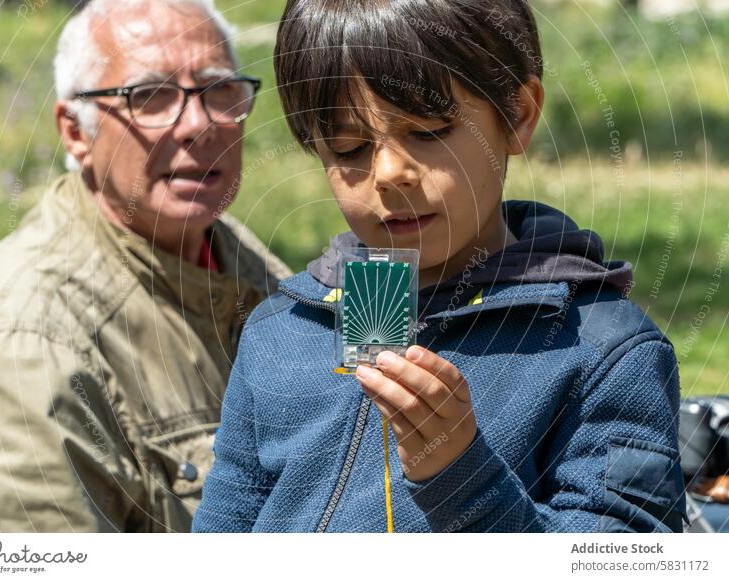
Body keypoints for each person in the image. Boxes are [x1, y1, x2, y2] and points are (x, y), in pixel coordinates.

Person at [192, 0, 687, 532]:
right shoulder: (280, 332)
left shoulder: (600, 350)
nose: (388, 173)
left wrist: (461, 476)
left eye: (426, 132)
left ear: (517, 115)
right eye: (349, 147)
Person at [0, 0, 289, 532]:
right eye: (149, 96)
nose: (198, 123)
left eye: (220, 89)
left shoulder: (238, 257)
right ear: (77, 131)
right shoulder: (24, 346)